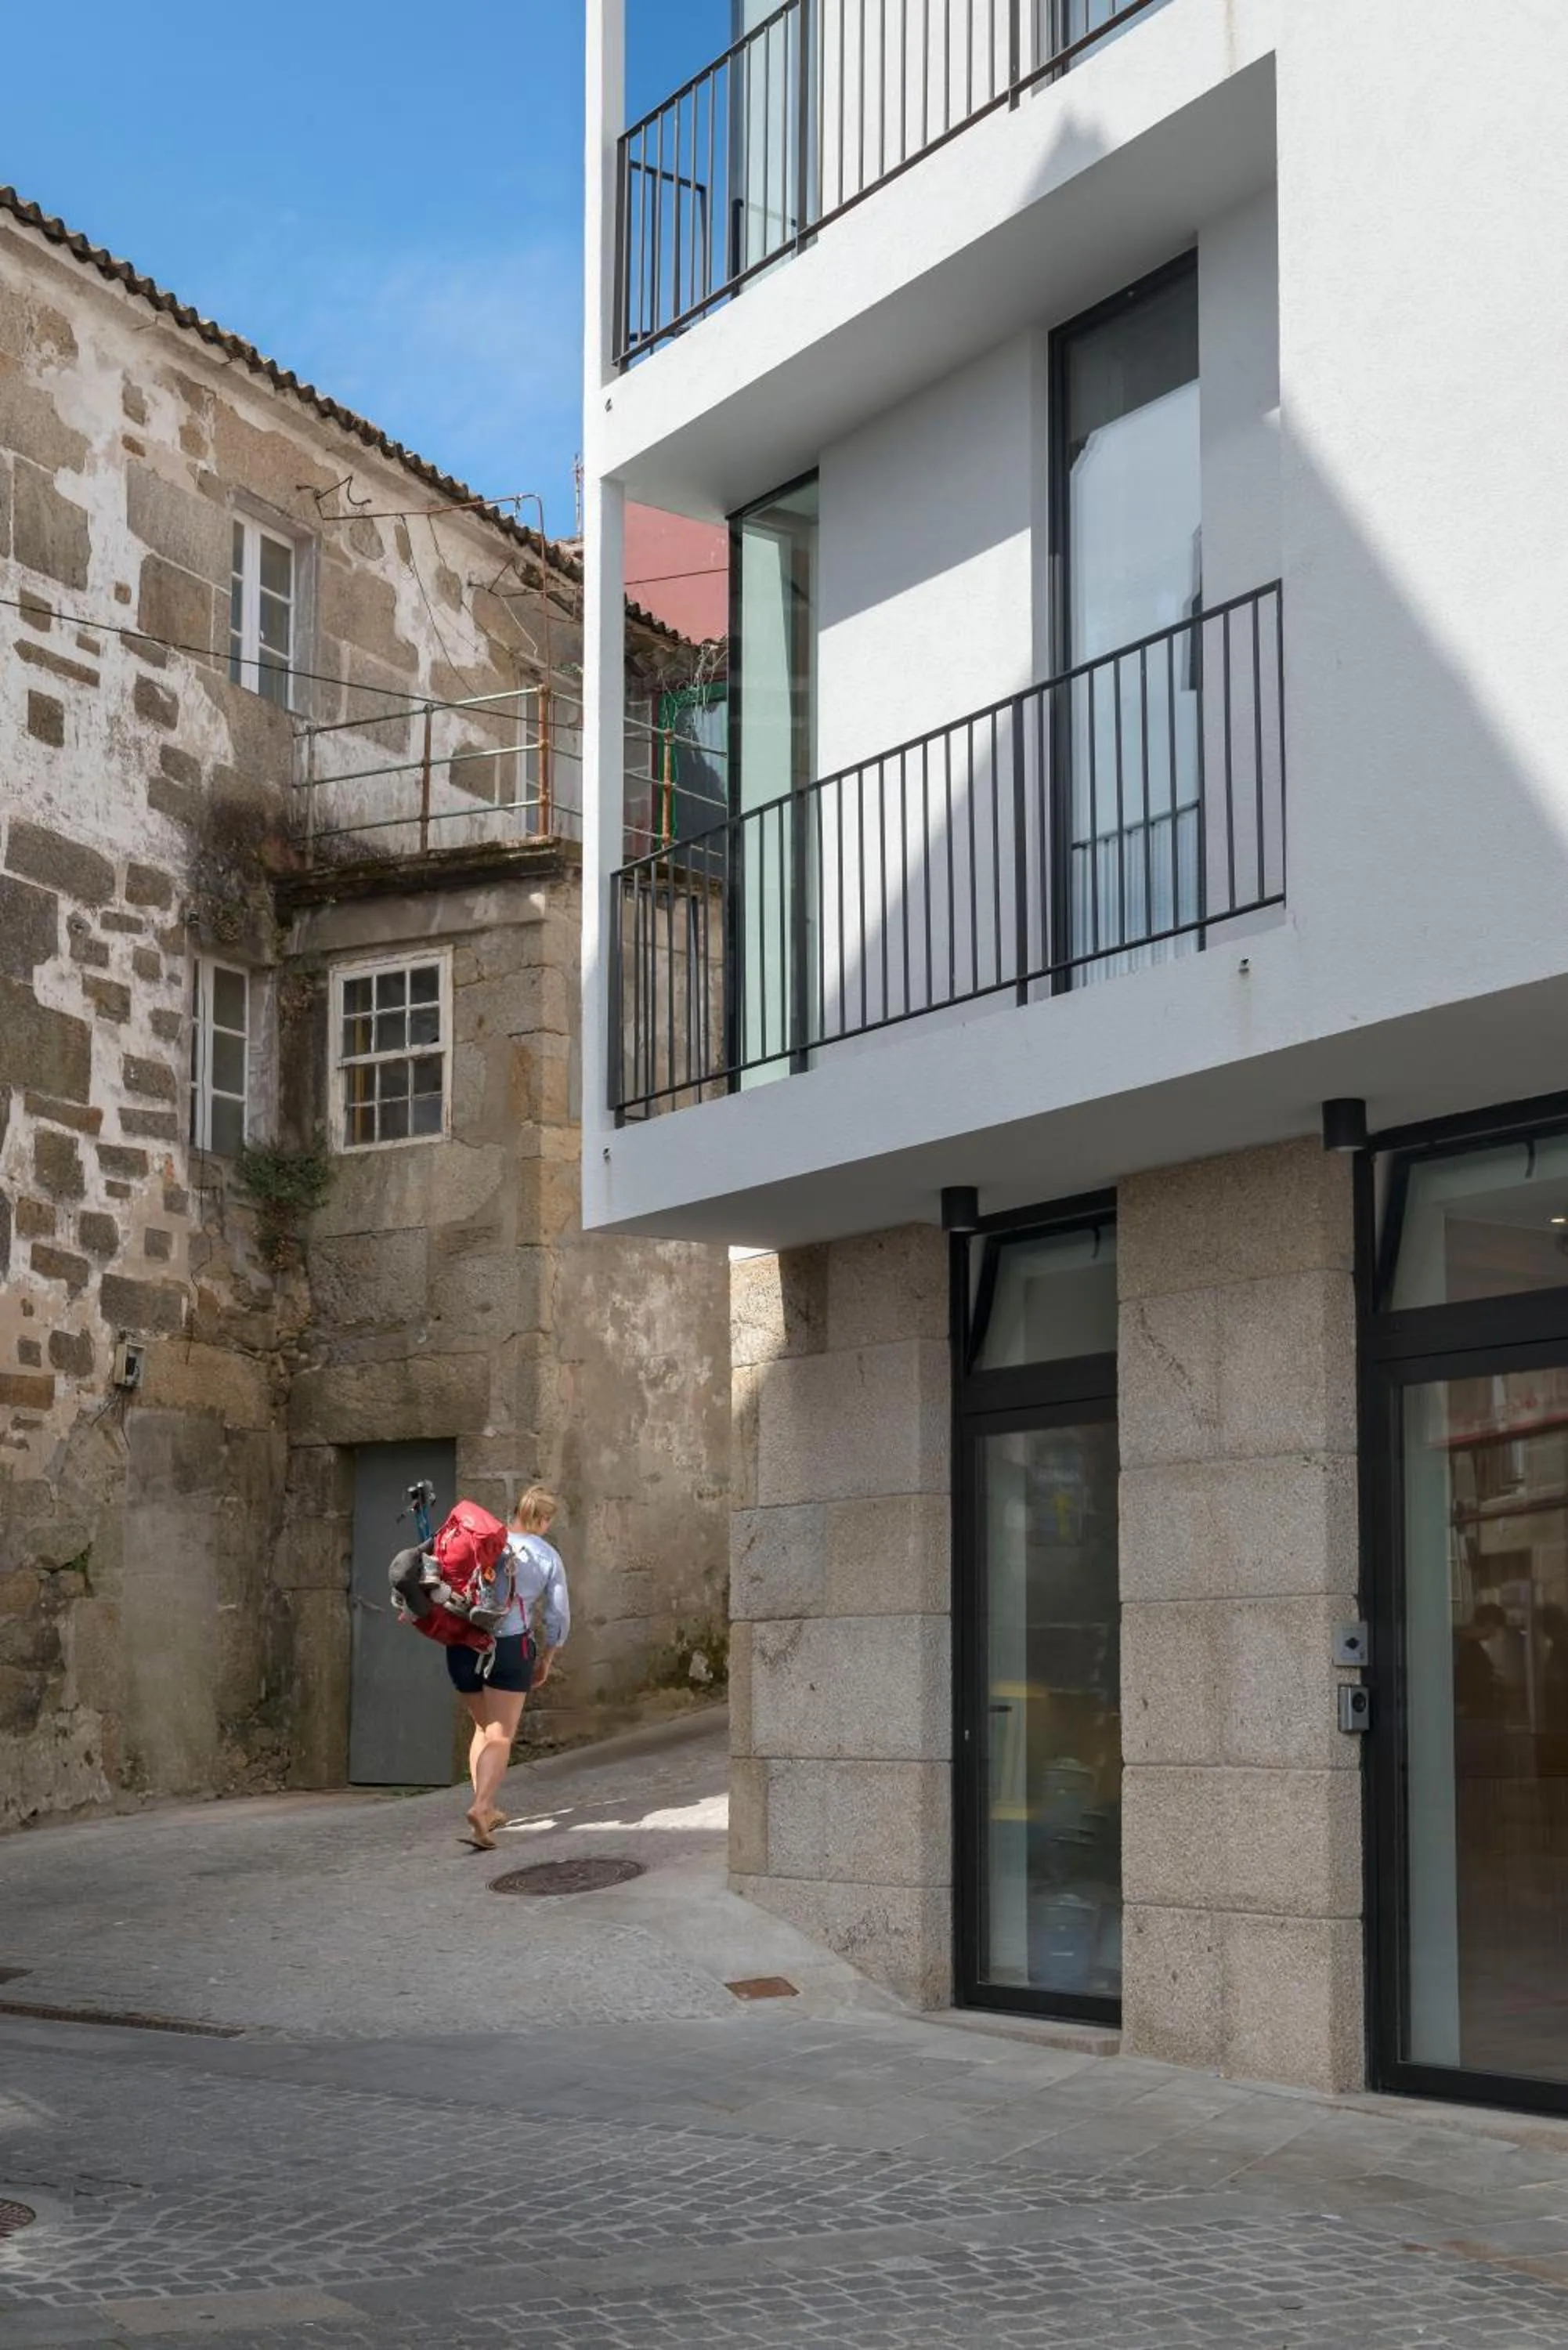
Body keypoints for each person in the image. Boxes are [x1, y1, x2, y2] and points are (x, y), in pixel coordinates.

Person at [450, 1484, 571, 1851]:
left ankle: (486, 1806)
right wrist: (548, 1656)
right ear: (542, 1519)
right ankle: (482, 1806)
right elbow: (558, 1615)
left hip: (461, 1643)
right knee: (500, 1734)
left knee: (482, 1727)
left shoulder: (484, 1543)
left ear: (514, 1511)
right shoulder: (546, 1556)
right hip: (508, 1646)